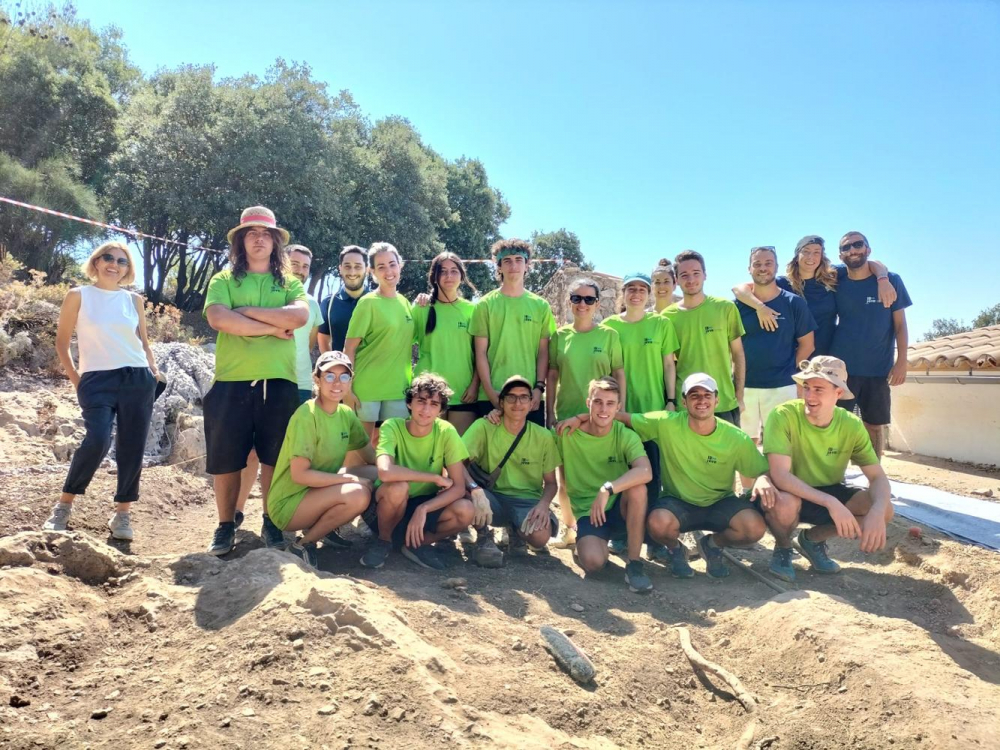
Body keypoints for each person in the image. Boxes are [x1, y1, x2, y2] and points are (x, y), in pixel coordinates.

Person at [563, 373, 776, 580]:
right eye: (694, 395)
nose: (701, 400)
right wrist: (582, 417)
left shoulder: (735, 437)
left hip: (720, 502)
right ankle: (675, 550)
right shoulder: (666, 423)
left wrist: (764, 478)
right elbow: (616, 415)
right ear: (683, 401)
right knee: (657, 522)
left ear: (717, 400)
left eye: (707, 395)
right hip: (678, 503)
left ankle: (712, 544)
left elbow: (762, 469)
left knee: (754, 528)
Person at [202, 206, 309, 556]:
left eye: (266, 233)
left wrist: (243, 312)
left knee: (274, 459)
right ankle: (225, 525)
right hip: (231, 380)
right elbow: (219, 318)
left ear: (276, 241)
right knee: (227, 459)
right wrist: (273, 328)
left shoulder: (289, 282)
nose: (259, 238)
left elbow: (299, 315)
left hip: (279, 383)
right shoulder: (223, 280)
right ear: (241, 241)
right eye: (251, 233)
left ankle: (272, 522)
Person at [44, 241, 159, 541]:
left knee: (132, 447)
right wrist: (75, 378)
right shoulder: (78, 295)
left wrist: (153, 370)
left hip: (137, 378)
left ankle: (122, 514)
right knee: (96, 439)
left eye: (121, 261)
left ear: (127, 269)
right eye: (108, 258)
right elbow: (61, 341)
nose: (114, 264)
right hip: (96, 380)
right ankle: (64, 505)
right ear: (95, 262)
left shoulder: (133, 300)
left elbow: (143, 342)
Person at [762, 357, 894, 581]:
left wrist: (878, 510)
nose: (810, 396)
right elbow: (780, 476)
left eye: (819, 389)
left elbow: (877, 476)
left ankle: (812, 540)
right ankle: (783, 548)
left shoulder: (851, 425)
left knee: (884, 509)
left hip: (829, 488)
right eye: (807, 387)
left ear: (838, 393)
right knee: (786, 502)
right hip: (789, 491)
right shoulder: (783, 415)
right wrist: (831, 502)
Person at [235, 243, 323, 539]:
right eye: (295, 263)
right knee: (249, 453)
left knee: (280, 456)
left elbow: (309, 346)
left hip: (297, 386)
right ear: (283, 261)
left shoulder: (311, 303)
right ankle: (234, 513)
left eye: (305, 266)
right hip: (259, 380)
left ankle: (271, 517)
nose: (300, 269)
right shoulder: (268, 294)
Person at [265, 351, 375, 569]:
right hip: (289, 503)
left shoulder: (345, 414)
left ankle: (379, 536)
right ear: (317, 379)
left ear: (350, 380)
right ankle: (303, 544)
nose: (337, 383)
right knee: (358, 494)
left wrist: (403, 469)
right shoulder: (307, 415)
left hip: (319, 491)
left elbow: (372, 458)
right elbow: (300, 475)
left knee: (379, 474)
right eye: (329, 376)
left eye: (344, 376)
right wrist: (349, 481)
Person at [360, 373, 475, 571]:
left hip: (424, 502)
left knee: (466, 510)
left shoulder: (446, 431)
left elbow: (458, 486)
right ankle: (384, 541)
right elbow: (385, 472)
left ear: (440, 410)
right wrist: (434, 477)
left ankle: (416, 544)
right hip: (385, 505)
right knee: (398, 487)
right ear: (409, 403)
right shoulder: (392, 426)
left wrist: (424, 509)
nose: (426, 409)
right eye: (421, 401)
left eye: (434, 404)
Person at [602, 271, 679, 561]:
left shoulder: (661, 324)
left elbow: (669, 366)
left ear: (649, 294)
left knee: (653, 476)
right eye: (630, 288)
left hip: (654, 414)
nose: (636, 293)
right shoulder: (609, 327)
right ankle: (622, 535)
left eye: (642, 289)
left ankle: (653, 539)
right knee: (622, 475)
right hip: (619, 414)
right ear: (623, 293)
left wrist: (671, 401)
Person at [555, 378, 653, 593]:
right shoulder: (568, 434)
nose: (603, 409)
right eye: (598, 402)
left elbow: (645, 471)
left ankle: (635, 564)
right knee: (593, 563)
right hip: (588, 513)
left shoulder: (625, 434)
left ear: (618, 407)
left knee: (638, 488)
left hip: (618, 507)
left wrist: (607, 488)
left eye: (610, 403)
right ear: (588, 402)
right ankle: (591, 544)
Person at [547, 277, 625, 545]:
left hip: (600, 417)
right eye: (577, 298)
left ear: (597, 303)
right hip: (568, 415)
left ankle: (606, 529)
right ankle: (569, 529)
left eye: (589, 299)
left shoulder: (609, 335)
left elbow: (619, 373)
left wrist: (619, 407)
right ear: (570, 302)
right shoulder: (559, 336)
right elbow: (552, 375)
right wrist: (550, 412)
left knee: (604, 475)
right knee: (565, 479)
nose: (583, 304)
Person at [732, 235, 894, 357]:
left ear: (822, 256)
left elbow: (873, 264)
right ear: (797, 256)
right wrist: (760, 307)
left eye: (817, 252)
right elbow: (739, 289)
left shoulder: (834, 276)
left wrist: (883, 279)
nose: (811, 257)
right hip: (792, 358)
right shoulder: (782, 284)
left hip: (826, 356)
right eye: (806, 252)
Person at [462, 375, 561, 567]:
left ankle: (517, 533)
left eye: (524, 397)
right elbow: (457, 463)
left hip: (527, 500)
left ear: (532, 403)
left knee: (540, 537)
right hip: (492, 497)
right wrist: (474, 488)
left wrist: (543, 505)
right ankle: (484, 538)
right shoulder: (484, 426)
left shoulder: (543, 436)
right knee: (465, 491)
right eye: (511, 397)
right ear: (501, 402)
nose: (518, 403)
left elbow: (551, 483)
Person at [830, 231, 912, 458]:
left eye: (858, 245)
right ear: (841, 254)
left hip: (878, 369)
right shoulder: (836, 278)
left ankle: (875, 478)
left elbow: (900, 326)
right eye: (847, 247)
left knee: (874, 426)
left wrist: (902, 361)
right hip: (841, 370)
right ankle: (834, 478)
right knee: (835, 424)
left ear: (868, 249)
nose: (853, 250)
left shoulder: (891, 280)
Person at [734, 246, 816, 443]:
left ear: (777, 267)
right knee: (746, 446)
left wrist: (789, 372)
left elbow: (807, 345)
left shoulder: (794, 303)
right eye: (757, 264)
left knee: (781, 443)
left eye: (768, 263)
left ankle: (777, 476)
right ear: (749, 269)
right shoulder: (736, 306)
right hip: (745, 387)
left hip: (782, 386)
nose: (763, 268)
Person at [470, 238, 555, 427]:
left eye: (519, 259)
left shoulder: (540, 306)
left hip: (529, 398)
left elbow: (543, 352)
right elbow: (480, 353)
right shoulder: (485, 305)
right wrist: (492, 395)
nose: (513, 265)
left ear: (527, 265)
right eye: (507, 260)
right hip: (492, 396)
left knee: (530, 455)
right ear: (498, 266)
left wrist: (538, 389)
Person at [662, 250, 746, 426]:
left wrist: (739, 396)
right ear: (676, 280)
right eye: (684, 275)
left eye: (696, 273)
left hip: (723, 403)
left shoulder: (725, 308)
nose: (691, 279)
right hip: (686, 406)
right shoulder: (667, 317)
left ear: (705, 275)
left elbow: (738, 354)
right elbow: (668, 363)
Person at [344, 242, 415, 442]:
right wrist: (347, 390)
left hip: (398, 390)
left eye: (392, 264)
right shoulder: (368, 303)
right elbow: (349, 348)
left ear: (400, 265)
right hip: (366, 389)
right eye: (381, 267)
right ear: (372, 271)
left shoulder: (405, 303)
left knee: (389, 449)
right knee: (360, 449)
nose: (388, 271)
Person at [412, 252, 480, 436]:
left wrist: (474, 385)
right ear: (434, 276)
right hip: (428, 394)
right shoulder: (421, 308)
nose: (448, 276)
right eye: (443, 271)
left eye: (454, 271)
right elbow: (401, 345)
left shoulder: (472, 310)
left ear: (462, 275)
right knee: (428, 456)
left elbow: (480, 354)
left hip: (463, 393)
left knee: (460, 455)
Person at [318, 245, 368, 354]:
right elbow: (323, 339)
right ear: (340, 269)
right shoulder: (328, 303)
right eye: (347, 266)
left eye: (358, 266)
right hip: (342, 370)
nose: (352, 272)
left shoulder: (377, 301)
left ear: (367, 269)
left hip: (373, 370)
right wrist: (331, 366)